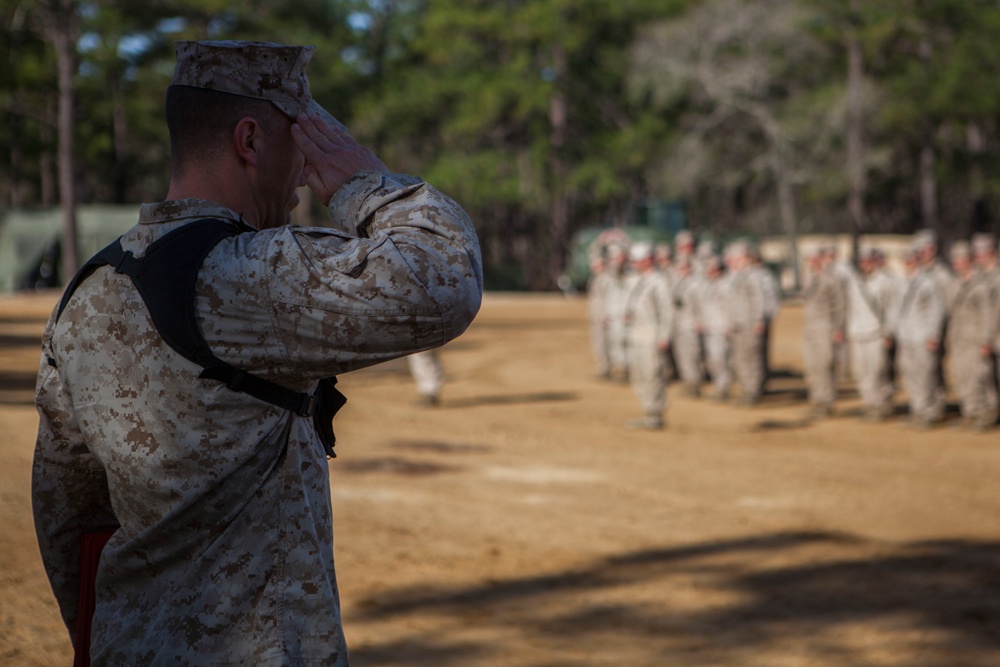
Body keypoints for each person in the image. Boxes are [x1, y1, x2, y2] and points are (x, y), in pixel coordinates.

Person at [32, 40, 483, 666]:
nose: (304, 172)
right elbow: (443, 277)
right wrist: (366, 184)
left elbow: (68, 515)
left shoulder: (87, 290)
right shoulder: (250, 271)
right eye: (300, 142)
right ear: (250, 141)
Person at [896, 233, 949, 429]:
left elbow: (936, 311)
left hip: (923, 337)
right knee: (910, 375)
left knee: (925, 375)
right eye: (905, 260)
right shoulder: (901, 282)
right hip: (907, 337)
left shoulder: (928, 282)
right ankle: (918, 410)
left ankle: (927, 412)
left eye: (910, 259)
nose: (907, 263)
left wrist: (933, 335)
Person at [946, 241, 998, 430]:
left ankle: (984, 414)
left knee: (979, 377)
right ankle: (969, 412)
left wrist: (986, 340)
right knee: (962, 377)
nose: (956, 264)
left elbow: (987, 315)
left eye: (959, 260)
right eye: (954, 261)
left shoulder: (980, 285)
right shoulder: (954, 285)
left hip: (975, 339)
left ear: (968, 261)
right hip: (959, 339)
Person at [623, 241, 673, 429]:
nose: (635, 264)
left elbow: (667, 312)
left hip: (652, 336)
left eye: (638, 261)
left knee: (652, 375)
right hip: (636, 335)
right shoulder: (636, 280)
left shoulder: (659, 282)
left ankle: (654, 414)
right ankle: (647, 411)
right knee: (638, 376)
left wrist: (664, 336)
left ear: (649, 260)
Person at [844, 247, 897, 421]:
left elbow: (891, 309)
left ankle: (881, 404)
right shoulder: (854, 282)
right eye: (861, 261)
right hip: (857, 333)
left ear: (875, 261)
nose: (864, 264)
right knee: (861, 372)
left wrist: (888, 332)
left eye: (868, 260)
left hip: (876, 333)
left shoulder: (885, 281)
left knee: (877, 371)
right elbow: (850, 307)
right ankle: (870, 404)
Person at [801, 246, 846, 418]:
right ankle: (817, 399)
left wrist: (837, 329)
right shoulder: (810, 278)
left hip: (825, 328)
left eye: (813, 259)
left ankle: (826, 402)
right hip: (811, 328)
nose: (810, 263)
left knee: (824, 366)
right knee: (812, 366)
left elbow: (839, 306)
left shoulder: (830, 280)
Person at [725, 240, 767, 406]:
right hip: (738, 324)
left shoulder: (753, 275)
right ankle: (745, 389)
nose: (733, 261)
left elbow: (759, 299)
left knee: (751, 358)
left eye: (737, 257)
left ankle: (753, 391)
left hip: (749, 324)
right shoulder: (736, 277)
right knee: (740, 358)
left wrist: (758, 320)